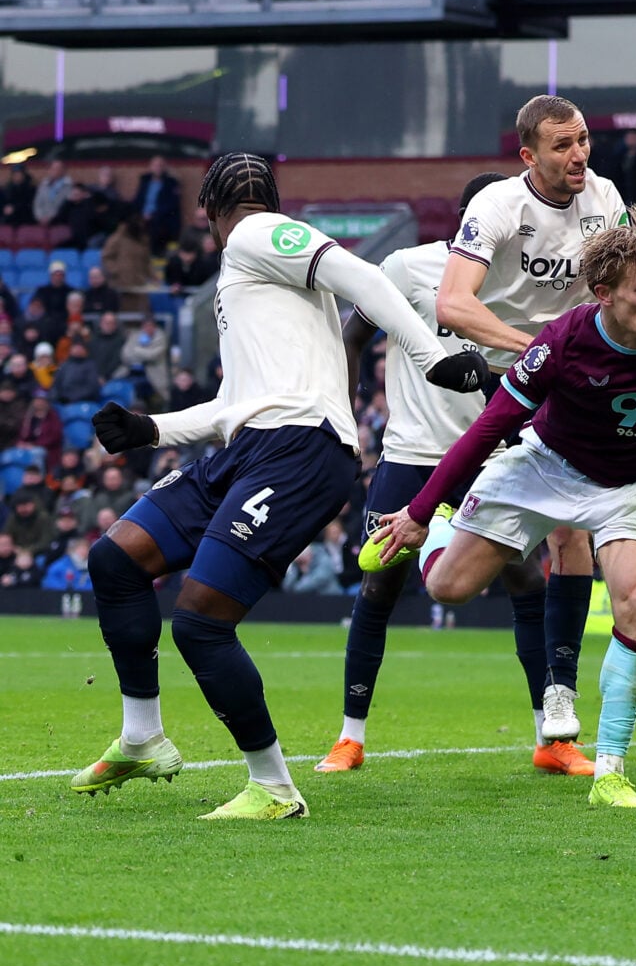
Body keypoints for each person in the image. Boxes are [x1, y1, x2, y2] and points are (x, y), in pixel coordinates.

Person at [70, 152, 485, 821]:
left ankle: (274, 787)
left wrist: (432, 357)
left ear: (208, 215)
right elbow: (236, 405)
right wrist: (151, 428)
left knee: (201, 621)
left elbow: (364, 277)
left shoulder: (256, 235)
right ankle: (143, 736)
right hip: (250, 447)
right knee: (116, 557)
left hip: (296, 451)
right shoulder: (256, 280)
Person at [365, 220, 636, 812]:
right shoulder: (562, 341)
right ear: (604, 293)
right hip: (542, 467)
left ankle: (613, 769)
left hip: (627, 482)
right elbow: (490, 426)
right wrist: (422, 512)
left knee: (635, 597)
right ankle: (449, 527)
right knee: (446, 588)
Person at [319, 174, 573, 774]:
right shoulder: (408, 267)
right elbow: (352, 336)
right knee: (379, 583)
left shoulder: (534, 285)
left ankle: (550, 739)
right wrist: (348, 418)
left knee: (525, 584)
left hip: (495, 456)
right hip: (412, 452)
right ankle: (350, 737)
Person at [436, 95, 634, 746]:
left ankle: (558, 691)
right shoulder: (496, 207)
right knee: (452, 585)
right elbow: (453, 304)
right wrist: (534, 350)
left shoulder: (606, 201)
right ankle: (431, 530)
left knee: (570, 531)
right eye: (562, 146)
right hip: (496, 378)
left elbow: (633, 285)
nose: (578, 155)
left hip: (568, 386)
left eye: (582, 140)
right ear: (528, 155)